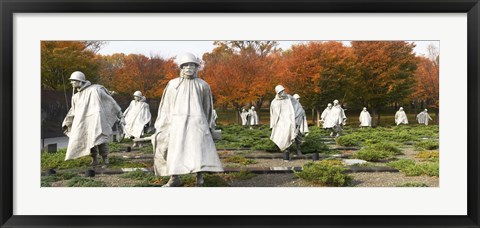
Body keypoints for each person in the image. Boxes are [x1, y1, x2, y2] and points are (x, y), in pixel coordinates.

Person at [152, 53, 223, 187]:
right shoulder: (173, 84)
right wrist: (162, 124)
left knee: (198, 150)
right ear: (181, 67)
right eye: (186, 65)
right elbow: (166, 106)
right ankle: (174, 178)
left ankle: (200, 177)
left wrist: (209, 124)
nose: (189, 68)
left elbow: (208, 107)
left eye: (192, 65)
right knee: (175, 150)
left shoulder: (203, 85)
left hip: (197, 123)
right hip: (177, 123)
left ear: (196, 67)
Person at [62, 71, 123, 166]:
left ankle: (105, 158)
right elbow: (73, 110)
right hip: (84, 122)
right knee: (89, 140)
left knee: (100, 139)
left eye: (73, 80)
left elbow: (110, 101)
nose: (71, 83)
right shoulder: (76, 96)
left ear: (80, 81)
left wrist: (120, 114)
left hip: (97, 119)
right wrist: (68, 121)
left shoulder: (95, 90)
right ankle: (94, 159)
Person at [270, 85, 301, 156]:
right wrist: (273, 124)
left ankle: (298, 149)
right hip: (281, 122)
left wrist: (297, 117)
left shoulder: (289, 98)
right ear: (278, 93)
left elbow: (297, 106)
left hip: (291, 119)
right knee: (283, 136)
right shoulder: (274, 102)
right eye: (281, 92)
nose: (283, 92)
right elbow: (272, 114)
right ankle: (287, 150)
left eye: (283, 91)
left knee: (295, 134)